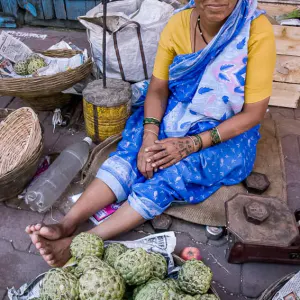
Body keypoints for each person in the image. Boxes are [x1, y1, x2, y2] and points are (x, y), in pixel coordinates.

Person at [26, 0, 276, 267]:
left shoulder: (255, 30)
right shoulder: (178, 24)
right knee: (135, 151)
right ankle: (67, 223)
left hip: (227, 126)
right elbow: (158, 88)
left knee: (174, 172)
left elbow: (252, 114)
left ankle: (83, 242)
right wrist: (149, 137)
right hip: (182, 108)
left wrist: (191, 144)